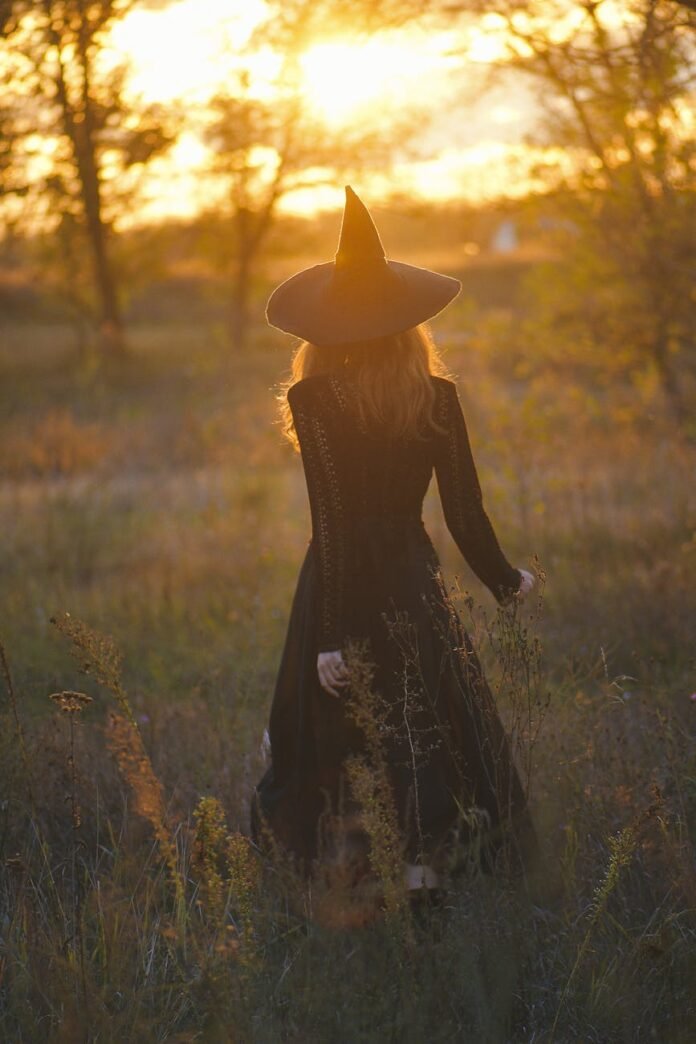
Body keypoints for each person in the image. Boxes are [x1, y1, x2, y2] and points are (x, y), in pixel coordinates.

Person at [252, 187, 536, 901]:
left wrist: (330, 635)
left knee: (336, 729)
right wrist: (506, 581)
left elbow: (335, 522)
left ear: (325, 330)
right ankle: (424, 868)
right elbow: (465, 514)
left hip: (339, 583)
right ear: (409, 325)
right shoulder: (437, 396)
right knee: (424, 720)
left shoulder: (314, 401)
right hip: (414, 578)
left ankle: (360, 871)